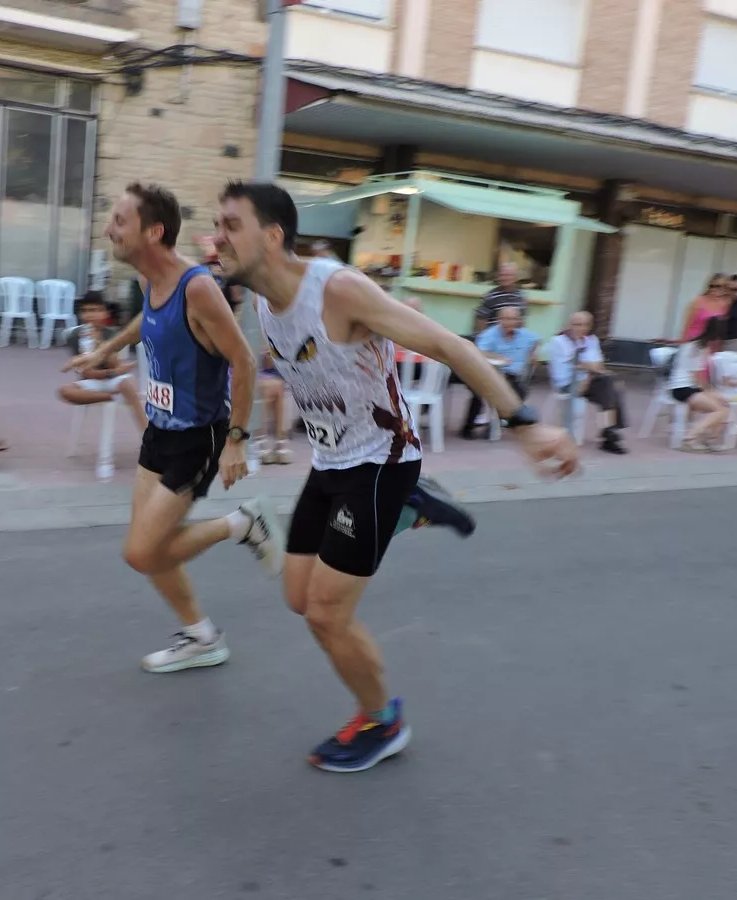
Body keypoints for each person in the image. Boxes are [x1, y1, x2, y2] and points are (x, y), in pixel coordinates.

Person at [213, 181, 578, 773]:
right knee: (299, 599)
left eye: (230, 225)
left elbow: (449, 345)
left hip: (381, 462)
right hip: (332, 463)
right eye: (216, 224)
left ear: (273, 236)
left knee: (329, 616)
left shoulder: (338, 290)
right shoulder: (260, 300)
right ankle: (410, 509)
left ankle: (383, 721)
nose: (217, 237)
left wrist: (525, 423)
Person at [63, 182, 284, 675]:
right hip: (159, 433)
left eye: (119, 221)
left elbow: (244, 363)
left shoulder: (199, 287)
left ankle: (243, 524)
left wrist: (237, 442)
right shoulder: (149, 281)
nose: (109, 229)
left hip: (197, 439)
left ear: (153, 231)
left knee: (141, 552)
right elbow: (148, 321)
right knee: (153, 549)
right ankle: (202, 637)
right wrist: (105, 350)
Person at [59, 291, 147, 433]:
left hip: (115, 380)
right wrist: (113, 372)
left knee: (128, 384)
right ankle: (112, 396)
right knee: (65, 391)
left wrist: (99, 343)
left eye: (94, 310)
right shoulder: (75, 336)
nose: (90, 315)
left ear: (105, 313)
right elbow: (86, 372)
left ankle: (145, 432)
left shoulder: (112, 334)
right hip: (93, 381)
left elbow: (115, 364)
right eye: (85, 311)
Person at [546, 311, 629, 454]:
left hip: (588, 382)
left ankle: (609, 432)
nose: (581, 328)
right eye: (577, 324)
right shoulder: (559, 342)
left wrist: (585, 368)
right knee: (612, 385)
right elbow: (568, 370)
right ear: (569, 325)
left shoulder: (591, 340)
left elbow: (598, 366)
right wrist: (589, 368)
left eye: (585, 325)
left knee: (610, 384)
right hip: (567, 384)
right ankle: (609, 433)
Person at [460, 305, 538, 439]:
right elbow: (478, 353)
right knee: (479, 393)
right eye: (506, 319)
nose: (510, 322)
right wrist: (496, 357)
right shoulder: (490, 335)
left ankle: (495, 425)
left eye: (514, 319)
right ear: (499, 320)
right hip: (487, 374)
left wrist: (533, 353)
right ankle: (468, 428)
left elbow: (536, 340)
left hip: (512, 376)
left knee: (519, 392)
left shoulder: (524, 335)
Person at [667, 316, 730, 451]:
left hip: (685, 387)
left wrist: (712, 393)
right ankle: (690, 437)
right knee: (719, 410)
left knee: (724, 406)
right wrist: (712, 392)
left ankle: (709, 439)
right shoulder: (699, 348)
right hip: (683, 388)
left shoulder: (693, 344)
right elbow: (698, 378)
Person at [474, 262, 527, 333]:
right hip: (493, 338)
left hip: (512, 339)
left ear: (515, 278)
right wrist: (484, 339)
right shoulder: (491, 296)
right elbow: (481, 319)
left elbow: (521, 321)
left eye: (508, 275)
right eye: (502, 275)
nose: (504, 278)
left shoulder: (520, 296)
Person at [680, 274, 731, 343]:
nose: (715, 289)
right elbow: (687, 326)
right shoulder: (698, 301)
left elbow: (720, 329)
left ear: (725, 289)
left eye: (720, 286)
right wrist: (682, 343)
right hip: (693, 342)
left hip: (711, 345)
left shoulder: (725, 304)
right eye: (712, 286)